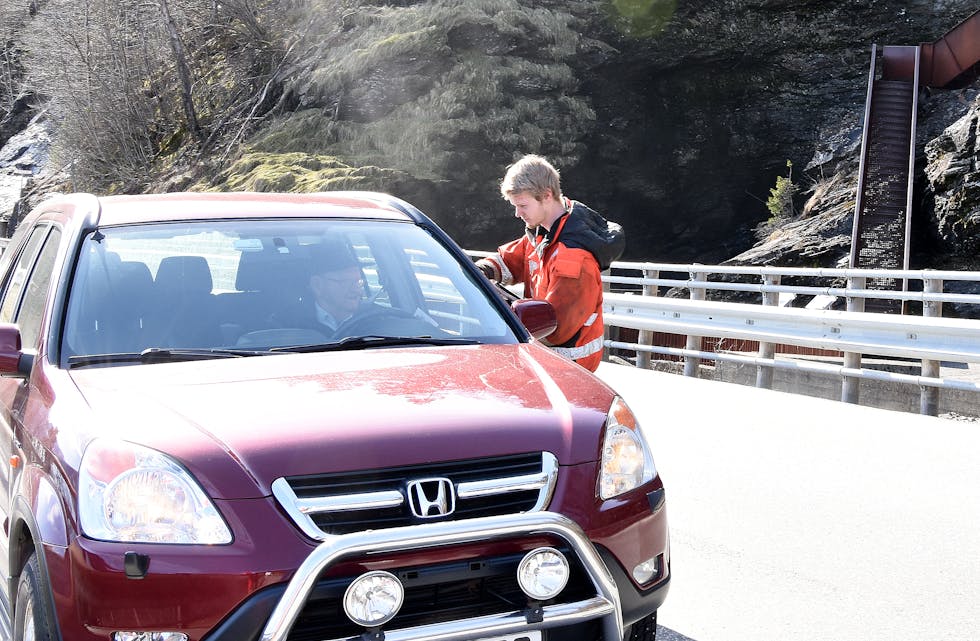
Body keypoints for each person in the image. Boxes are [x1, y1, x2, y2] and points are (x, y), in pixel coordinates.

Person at [476, 154, 624, 372]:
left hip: (569, 364)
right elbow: (512, 258)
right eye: (515, 206)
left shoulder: (572, 258)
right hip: (551, 358)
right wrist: (481, 271)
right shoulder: (545, 231)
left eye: (522, 205)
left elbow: (555, 327)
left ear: (546, 195)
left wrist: (507, 316)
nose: (517, 213)